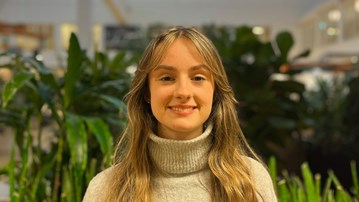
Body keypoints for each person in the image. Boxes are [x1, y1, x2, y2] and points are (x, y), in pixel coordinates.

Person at [83, 26, 277, 202]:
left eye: (198, 78)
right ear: (147, 92)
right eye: (167, 78)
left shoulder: (251, 181)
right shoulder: (105, 189)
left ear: (215, 91)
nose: (183, 92)